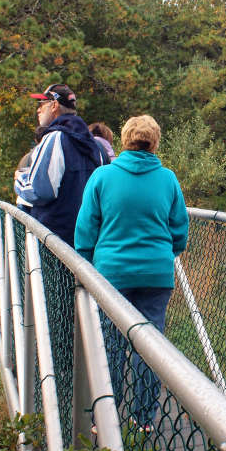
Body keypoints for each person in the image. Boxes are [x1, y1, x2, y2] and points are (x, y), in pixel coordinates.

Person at [74, 115, 188, 431]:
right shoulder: (168, 179)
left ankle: (105, 417)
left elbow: (86, 228)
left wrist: (86, 264)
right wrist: (163, 254)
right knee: (149, 346)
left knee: (110, 343)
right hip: (155, 274)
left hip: (111, 275)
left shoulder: (101, 177)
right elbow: (179, 229)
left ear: (124, 140)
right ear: (154, 142)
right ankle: (143, 418)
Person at [14, 83, 104, 246]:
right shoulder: (95, 145)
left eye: (42, 104)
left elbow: (41, 191)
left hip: (54, 242)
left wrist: (20, 180)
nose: (38, 110)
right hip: (85, 240)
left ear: (54, 105)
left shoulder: (54, 138)